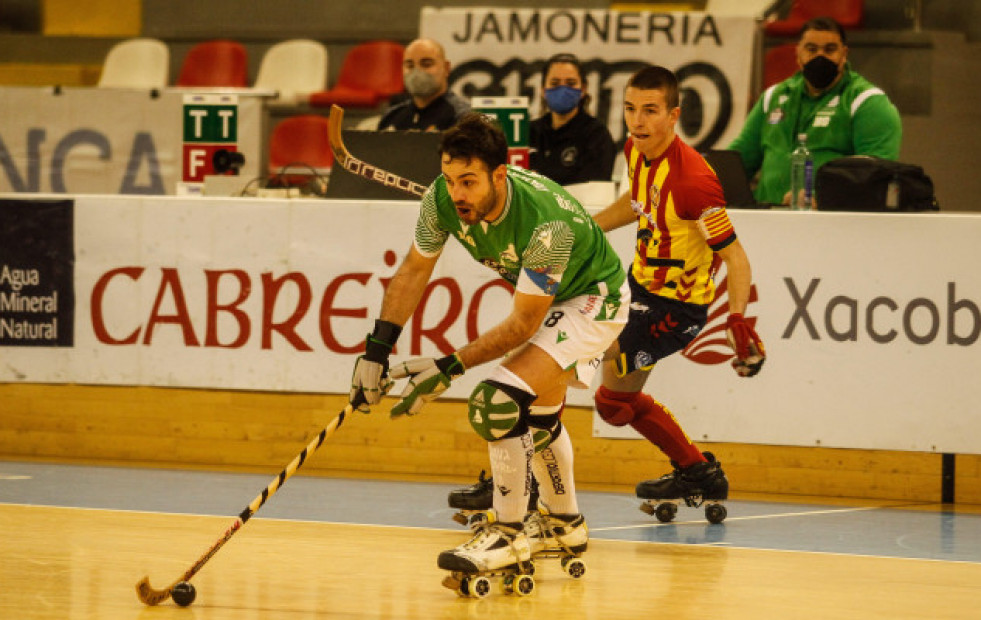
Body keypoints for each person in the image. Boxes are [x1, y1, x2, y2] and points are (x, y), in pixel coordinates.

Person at [350, 113, 629, 579]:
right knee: (535, 416)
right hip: (553, 300)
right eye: (449, 178)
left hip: (593, 299)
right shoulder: (440, 198)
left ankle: (509, 531)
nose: (457, 193)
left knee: (498, 402)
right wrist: (376, 350)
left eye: (469, 182)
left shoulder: (547, 224)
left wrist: (448, 365)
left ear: (499, 175)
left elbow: (523, 321)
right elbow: (414, 270)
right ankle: (564, 523)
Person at [590, 65, 766, 516]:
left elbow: (736, 258)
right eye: (630, 109)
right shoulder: (635, 149)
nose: (637, 121)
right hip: (638, 287)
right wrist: (586, 228)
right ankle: (696, 470)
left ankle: (520, 481)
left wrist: (739, 320)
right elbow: (636, 203)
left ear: (674, 115)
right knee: (612, 404)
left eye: (650, 111)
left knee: (582, 363)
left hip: (675, 309)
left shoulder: (694, 182)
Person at [728, 16, 902, 206]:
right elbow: (737, 163)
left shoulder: (867, 102)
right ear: (798, 53)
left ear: (844, 54)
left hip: (833, 226)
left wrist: (822, 198)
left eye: (830, 49)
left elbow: (876, 177)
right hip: (766, 220)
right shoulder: (773, 98)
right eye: (811, 49)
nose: (820, 56)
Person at [528, 53, 617, 186]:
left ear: (583, 89)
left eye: (571, 83)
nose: (563, 89)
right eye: (555, 83)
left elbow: (595, 189)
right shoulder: (529, 132)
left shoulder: (596, 135)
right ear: (543, 90)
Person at [377, 38, 470, 132]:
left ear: (446, 68)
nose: (417, 72)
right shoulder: (391, 117)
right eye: (410, 66)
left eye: (426, 64)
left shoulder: (463, 118)